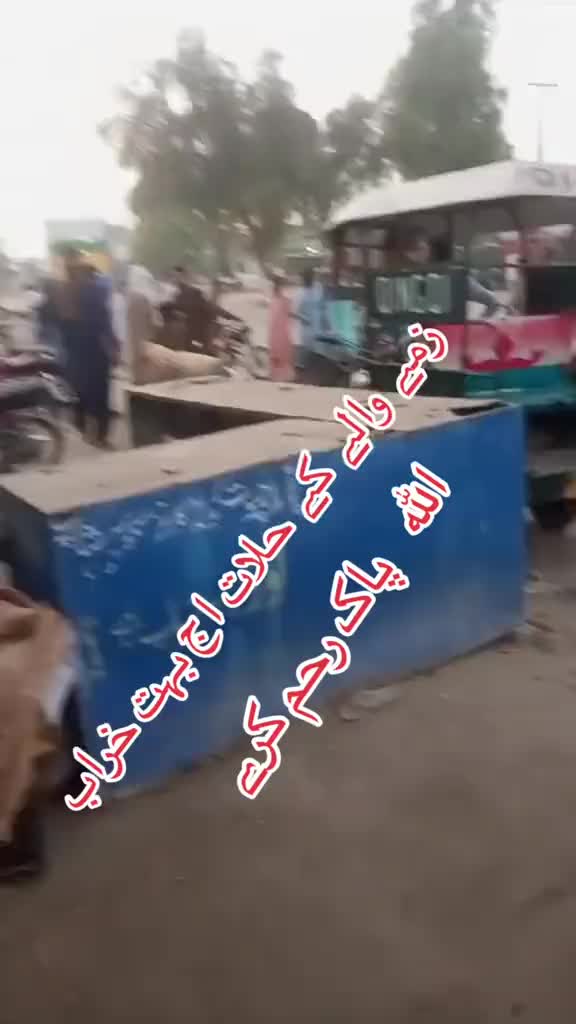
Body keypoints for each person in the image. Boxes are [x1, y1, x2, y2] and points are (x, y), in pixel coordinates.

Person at [56, 250, 118, 448]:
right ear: (88, 275)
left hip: (74, 352)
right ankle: (100, 436)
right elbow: (104, 322)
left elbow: (61, 326)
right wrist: (114, 346)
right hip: (96, 350)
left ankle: (82, 429)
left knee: (79, 391)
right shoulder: (94, 292)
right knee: (100, 393)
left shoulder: (64, 293)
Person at [268, 273, 294, 382]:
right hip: (281, 332)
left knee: (277, 354)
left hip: (275, 331)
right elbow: (290, 314)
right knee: (282, 354)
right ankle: (281, 377)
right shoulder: (283, 301)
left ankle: (276, 376)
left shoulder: (274, 300)